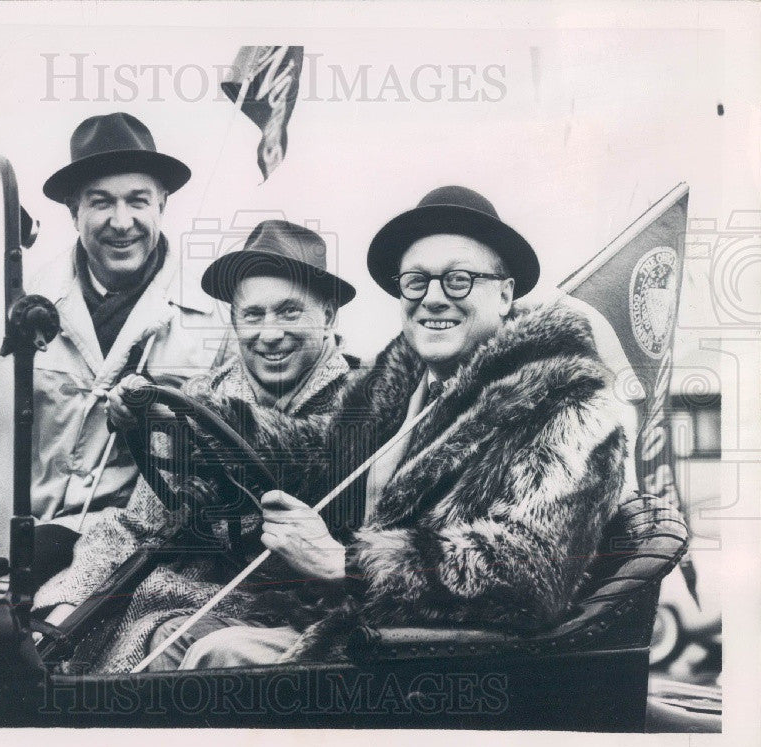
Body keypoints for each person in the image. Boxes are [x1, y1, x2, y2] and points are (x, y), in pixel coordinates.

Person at [157, 185, 629, 669]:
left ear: (505, 294)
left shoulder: (565, 402)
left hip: (441, 661)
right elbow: (319, 455)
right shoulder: (396, 387)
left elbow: (530, 570)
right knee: (171, 638)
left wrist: (347, 565)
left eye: (460, 280)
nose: (435, 299)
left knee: (220, 656)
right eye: (416, 282)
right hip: (353, 625)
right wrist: (195, 421)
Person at [32, 221, 359, 673]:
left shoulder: (366, 405)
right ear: (232, 320)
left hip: (292, 617)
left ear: (328, 316)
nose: (269, 334)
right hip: (185, 592)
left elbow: (358, 561)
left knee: (163, 641)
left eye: (290, 312)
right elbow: (138, 525)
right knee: (38, 635)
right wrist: (65, 612)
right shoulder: (202, 395)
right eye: (252, 314)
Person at [26, 112, 224, 590]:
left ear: (163, 206)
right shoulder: (24, 306)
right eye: (101, 203)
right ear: (73, 211)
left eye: (138, 201)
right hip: (26, 538)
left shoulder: (213, 323)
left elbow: (223, 458)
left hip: (143, 552)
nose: (122, 222)